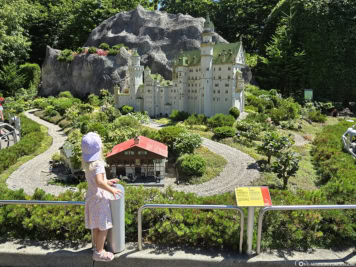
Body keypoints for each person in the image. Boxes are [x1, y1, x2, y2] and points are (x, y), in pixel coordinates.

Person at [81, 132, 123, 262]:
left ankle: (96, 248)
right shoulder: (98, 164)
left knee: (96, 226)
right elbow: (99, 182)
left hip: (92, 198)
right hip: (100, 200)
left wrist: (108, 181)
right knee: (104, 227)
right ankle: (99, 253)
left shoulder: (87, 164)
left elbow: (95, 181)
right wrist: (111, 189)